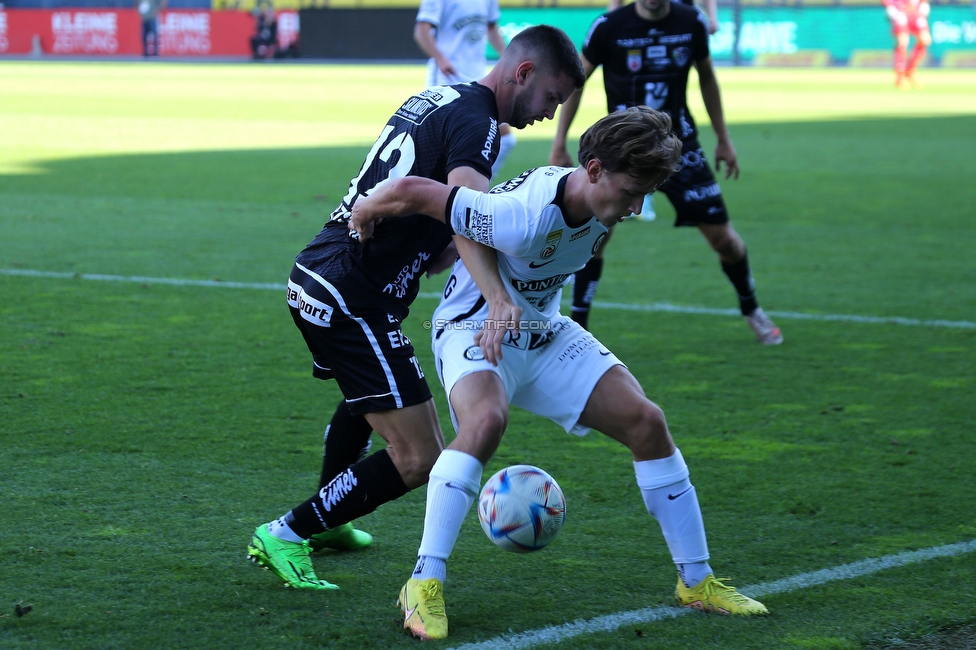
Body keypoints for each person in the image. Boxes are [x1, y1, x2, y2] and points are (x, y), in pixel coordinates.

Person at [349, 106, 769, 642]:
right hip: (475, 329)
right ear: (593, 170)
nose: (637, 208)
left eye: (647, 195)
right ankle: (424, 582)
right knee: (485, 423)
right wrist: (363, 212)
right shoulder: (525, 212)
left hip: (546, 331)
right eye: (631, 192)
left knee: (647, 422)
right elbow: (417, 191)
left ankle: (697, 580)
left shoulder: (602, 202)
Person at [245, 25, 585, 591]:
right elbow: (465, 213)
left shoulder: (441, 96)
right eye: (551, 98)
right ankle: (287, 532)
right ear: (522, 74)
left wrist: (433, 244)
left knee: (369, 399)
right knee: (420, 454)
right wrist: (497, 296)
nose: (550, 114)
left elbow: (425, 199)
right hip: (349, 291)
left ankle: (329, 524)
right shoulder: (480, 125)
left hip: (333, 275)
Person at [549, 0, 783, 345]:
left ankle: (752, 309)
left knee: (724, 240)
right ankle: (578, 325)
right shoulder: (608, 26)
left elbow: (707, 78)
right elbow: (578, 82)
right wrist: (559, 141)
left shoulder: (691, 22)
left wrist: (723, 139)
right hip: (622, 151)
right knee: (595, 236)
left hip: (680, 146)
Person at [414, 0, 518, 178]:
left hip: (479, 79)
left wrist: (506, 55)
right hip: (447, 77)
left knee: (505, 138)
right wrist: (440, 58)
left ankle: (471, 189)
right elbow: (421, 31)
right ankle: (442, 192)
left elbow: (491, 27)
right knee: (441, 142)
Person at [883, 0, 931, 88]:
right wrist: (890, 5)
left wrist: (923, 3)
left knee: (925, 39)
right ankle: (900, 75)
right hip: (900, 9)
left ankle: (910, 70)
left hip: (915, 10)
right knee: (902, 41)